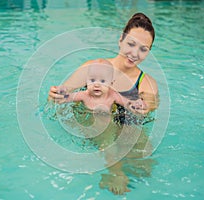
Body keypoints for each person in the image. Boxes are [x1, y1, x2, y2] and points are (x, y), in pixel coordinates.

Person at [48, 13, 159, 195]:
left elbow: (149, 106)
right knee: (103, 117)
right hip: (96, 122)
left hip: (127, 125)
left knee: (145, 166)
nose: (134, 54)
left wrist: (146, 106)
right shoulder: (94, 69)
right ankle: (114, 171)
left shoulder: (146, 82)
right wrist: (55, 95)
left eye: (143, 49)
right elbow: (61, 93)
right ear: (120, 40)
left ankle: (115, 167)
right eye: (131, 44)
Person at [56, 59, 147, 114]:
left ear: (111, 83)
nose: (96, 84)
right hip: (86, 116)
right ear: (86, 81)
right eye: (92, 80)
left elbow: (127, 103)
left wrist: (137, 105)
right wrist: (62, 93)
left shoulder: (113, 95)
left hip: (106, 120)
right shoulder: (84, 95)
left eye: (103, 81)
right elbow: (67, 98)